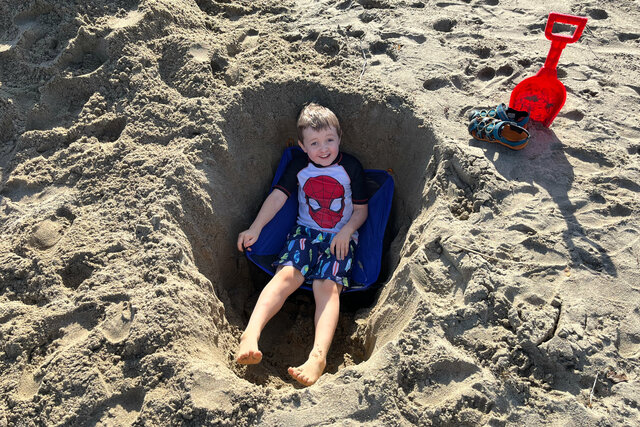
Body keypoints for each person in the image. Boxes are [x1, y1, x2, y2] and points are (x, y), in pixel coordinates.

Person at [236, 103, 369, 386]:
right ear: (303, 146)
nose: (324, 149)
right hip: (305, 233)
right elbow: (277, 198)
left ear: (339, 137)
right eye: (315, 143)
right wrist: (255, 228)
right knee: (286, 276)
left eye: (329, 140)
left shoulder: (351, 167)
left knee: (327, 286)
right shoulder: (299, 165)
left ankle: (318, 356)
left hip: (340, 237)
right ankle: (251, 333)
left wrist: (347, 230)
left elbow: (361, 210)